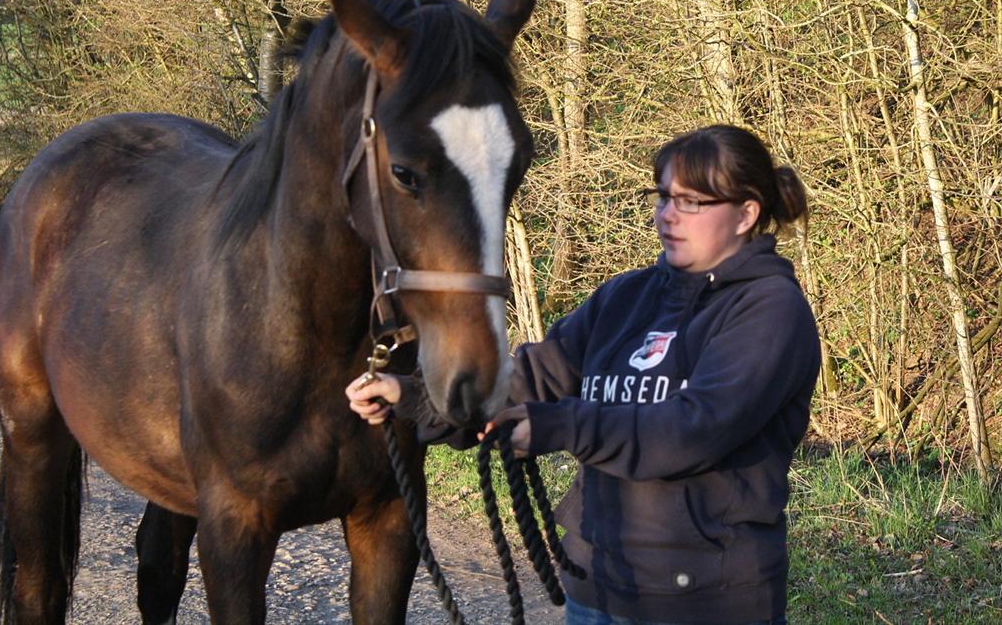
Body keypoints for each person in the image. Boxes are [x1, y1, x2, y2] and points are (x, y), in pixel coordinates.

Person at [348, 124, 820, 625]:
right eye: (663, 197)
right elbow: (531, 380)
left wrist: (559, 426)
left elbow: (693, 428)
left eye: (691, 202)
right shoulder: (625, 298)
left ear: (746, 214)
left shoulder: (770, 311)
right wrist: (415, 397)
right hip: (593, 591)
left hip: (703, 602)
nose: (667, 214)